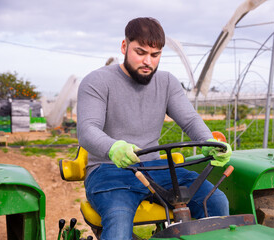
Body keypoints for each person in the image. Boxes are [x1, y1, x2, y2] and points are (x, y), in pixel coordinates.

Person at [77, 17, 232, 240]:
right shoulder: (97, 81)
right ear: (124, 46)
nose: (147, 61)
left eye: (155, 55)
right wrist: (113, 148)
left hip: (157, 169)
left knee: (216, 201)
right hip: (108, 170)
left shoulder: (167, 82)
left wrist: (208, 142)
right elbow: (87, 129)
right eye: (140, 52)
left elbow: (189, 120)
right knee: (119, 223)